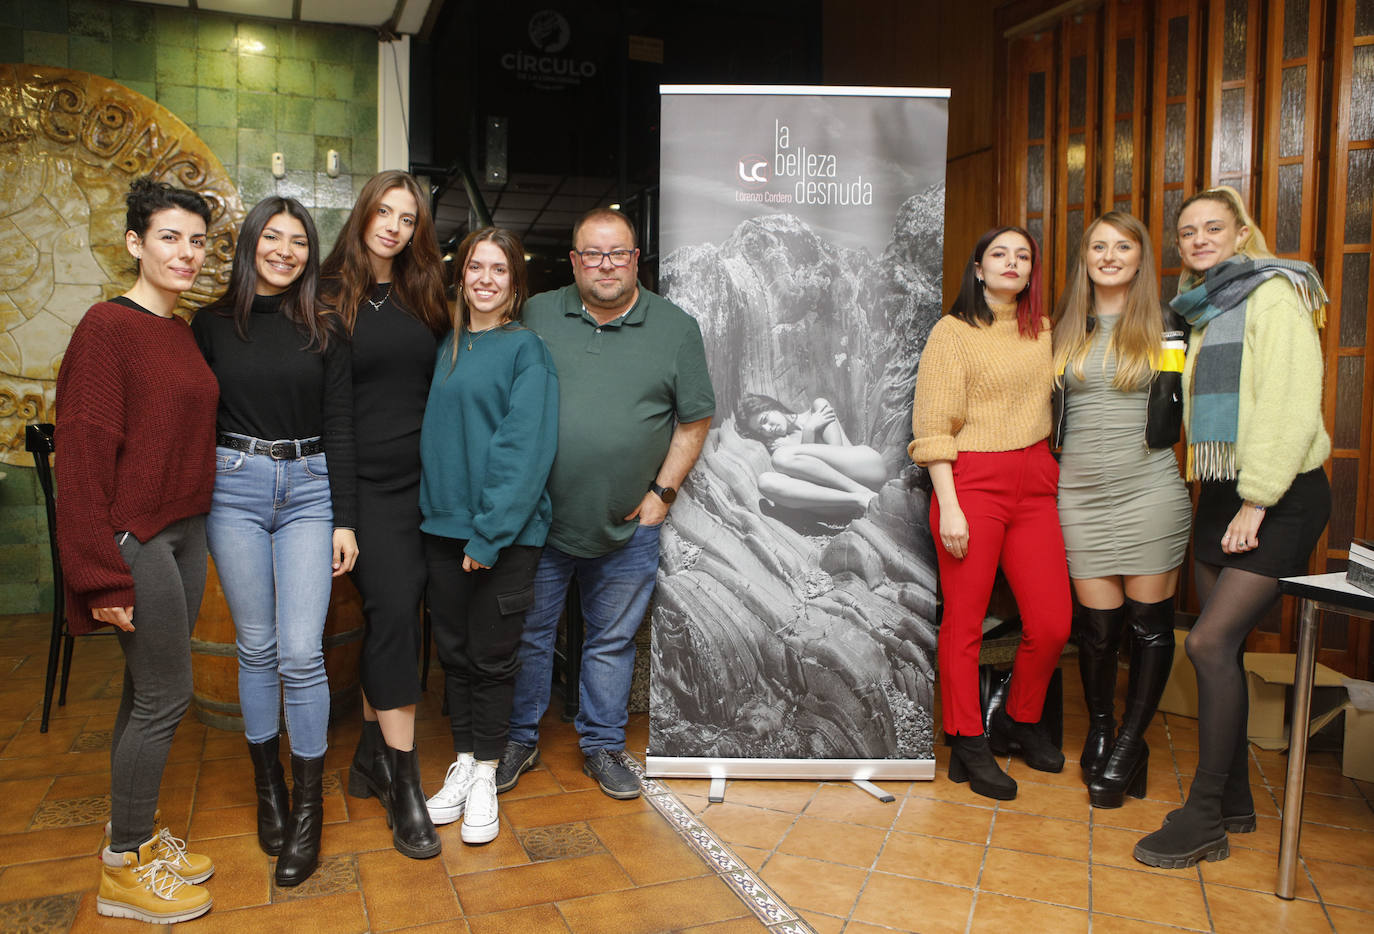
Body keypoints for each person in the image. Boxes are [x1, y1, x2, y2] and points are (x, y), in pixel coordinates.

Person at [1134, 187, 1331, 869]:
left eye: (1213, 228)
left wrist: (1257, 502)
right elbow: (1177, 416)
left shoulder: (1275, 294)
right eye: (1187, 232)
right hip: (1219, 489)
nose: (1198, 240)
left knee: (1209, 644)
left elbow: (1289, 404)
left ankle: (1204, 816)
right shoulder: (1198, 310)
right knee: (1226, 651)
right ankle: (1238, 804)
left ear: (1243, 233)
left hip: (1277, 493)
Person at [498, 207, 715, 799]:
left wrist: (661, 496)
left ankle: (602, 747)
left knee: (611, 640)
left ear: (635, 258)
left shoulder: (675, 327)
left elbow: (694, 422)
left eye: (617, 253)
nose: (605, 265)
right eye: (591, 254)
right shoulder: (539, 313)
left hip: (630, 525)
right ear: (573, 261)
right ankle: (519, 739)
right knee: (531, 636)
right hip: (539, 521)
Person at [55, 176, 218, 922]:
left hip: (183, 530)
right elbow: (82, 459)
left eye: (196, 240)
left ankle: (138, 838)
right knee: (167, 697)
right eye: (169, 237)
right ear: (134, 243)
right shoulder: (105, 328)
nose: (185, 253)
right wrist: (100, 576)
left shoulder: (180, 331)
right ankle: (123, 869)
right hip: (136, 538)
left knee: (143, 692)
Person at [193, 197, 358, 885]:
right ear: (250, 242)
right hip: (231, 489)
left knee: (299, 651)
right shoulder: (208, 325)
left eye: (298, 241)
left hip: (312, 489)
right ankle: (270, 792)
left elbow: (341, 421)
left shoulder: (325, 325)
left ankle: (310, 808)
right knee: (255, 647)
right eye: (273, 237)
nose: (285, 250)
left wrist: (345, 517)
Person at [908, 226, 1072, 801]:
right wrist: (949, 505)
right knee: (964, 623)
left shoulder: (1045, 331)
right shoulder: (953, 333)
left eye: (1022, 256)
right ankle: (967, 738)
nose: (1011, 263)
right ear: (978, 269)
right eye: (999, 254)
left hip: (1036, 484)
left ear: (1031, 270)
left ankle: (1018, 720)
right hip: (971, 485)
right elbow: (931, 428)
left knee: (1052, 622)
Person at [418, 228, 558, 844]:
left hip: (502, 536)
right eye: (476, 266)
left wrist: (489, 535)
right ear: (462, 275)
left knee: (493, 658)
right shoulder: (447, 344)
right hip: (441, 530)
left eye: (499, 270)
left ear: (514, 284)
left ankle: (486, 779)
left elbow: (524, 449)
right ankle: (465, 764)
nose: (485, 278)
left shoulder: (527, 350)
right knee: (455, 657)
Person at [324, 170, 448, 859]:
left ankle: (371, 755)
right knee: (397, 616)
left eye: (407, 218)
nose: (394, 226)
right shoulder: (328, 296)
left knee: (392, 620)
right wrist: (343, 512)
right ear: (363, 213)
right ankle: (406, 787)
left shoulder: (423, 295)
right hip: (363, 490)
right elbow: (334, 413)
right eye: (385, 212)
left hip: (422, 490)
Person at [1050, 212, 1191, 807]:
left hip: (1149, 492)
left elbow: (1181, 408)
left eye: (1123, 246)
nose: (1110, 256)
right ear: (1085, 257)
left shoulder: (1167, 325)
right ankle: (1102, 727)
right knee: (1099, 631)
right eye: (1098, 246)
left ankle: (1131, 743)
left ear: (1141, 257)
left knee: (1147, 626)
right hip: (1079, 498)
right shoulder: (1062, 329)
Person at [736, 393, 885, 520]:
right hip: (842, 503)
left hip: (866, 467)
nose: (768, 429)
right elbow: (807, 482)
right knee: (765, 482)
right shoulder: (781, 446)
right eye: (761, 431)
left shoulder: (816, 410)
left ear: (772, 406)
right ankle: (857, 499)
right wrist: (801, 441)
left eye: (764, 420)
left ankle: (862, 493)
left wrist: (808, 431)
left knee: (780, 457)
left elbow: (837, 451)